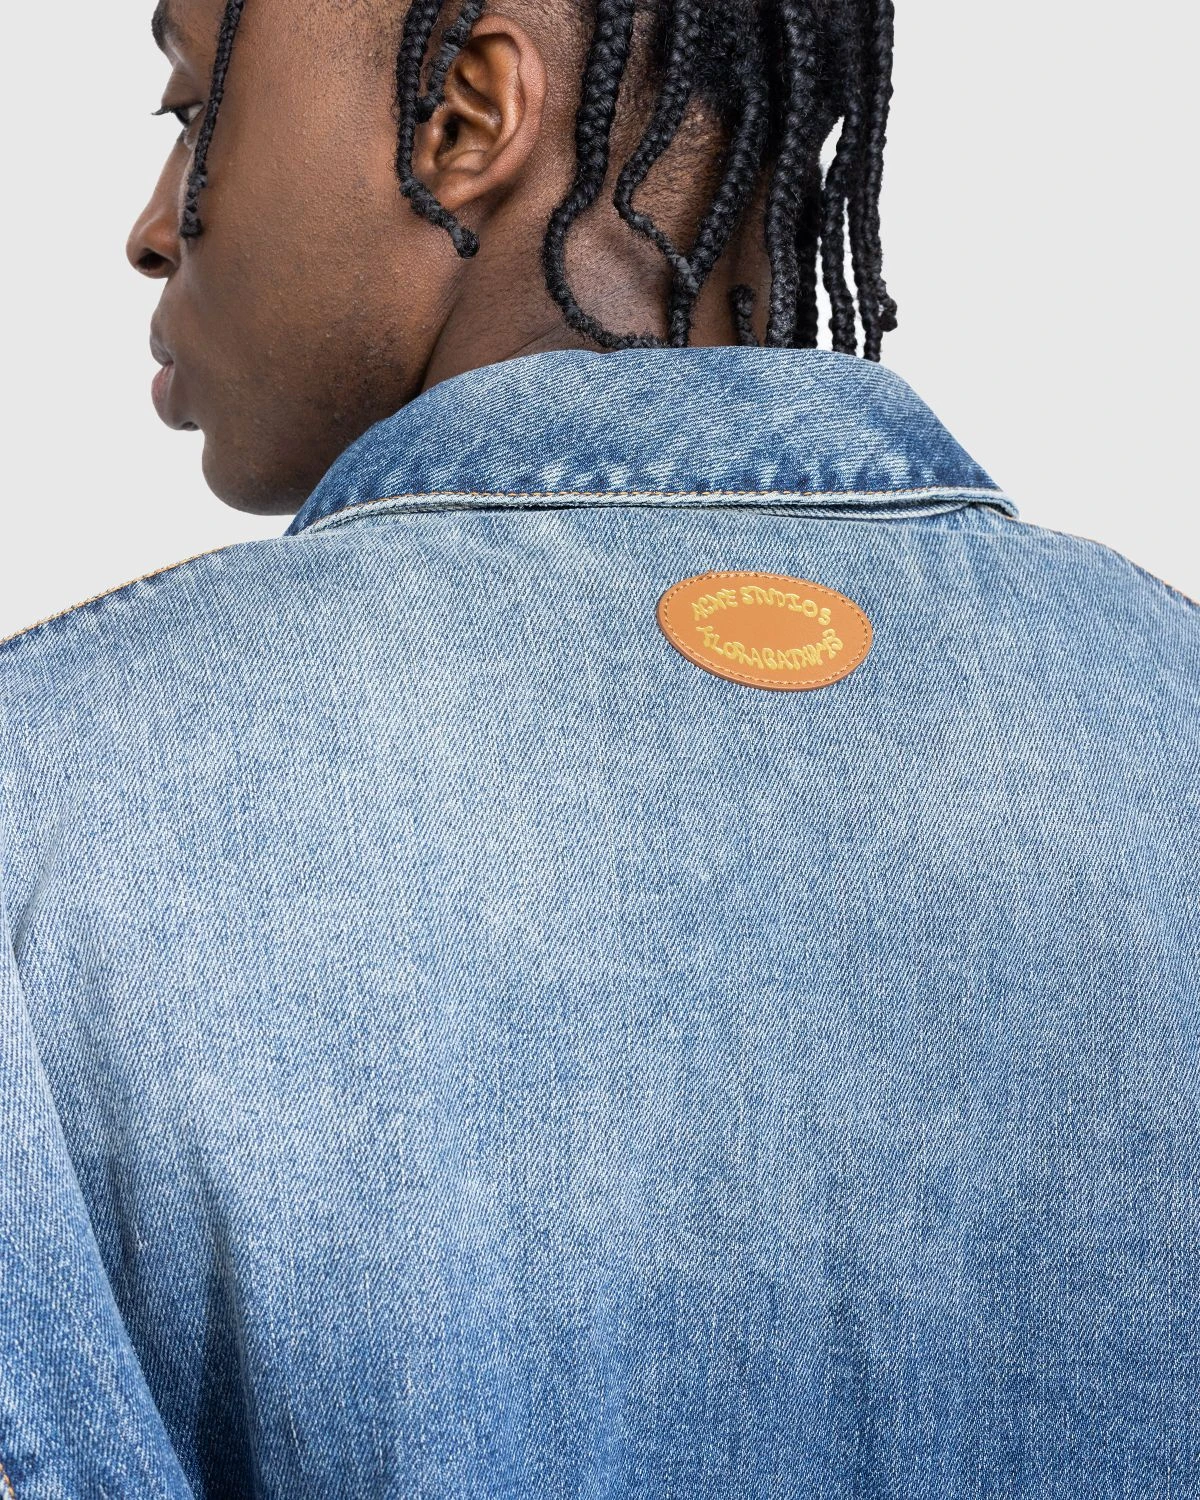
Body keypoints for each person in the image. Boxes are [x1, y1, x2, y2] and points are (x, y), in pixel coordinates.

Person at [0, 0, 1195, 1493]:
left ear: (465, 114)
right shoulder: (1168, 716)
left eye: (193, 115)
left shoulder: (46, 801)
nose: (150, 230)